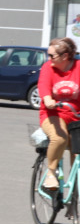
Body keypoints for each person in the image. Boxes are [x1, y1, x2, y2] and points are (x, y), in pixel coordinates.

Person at [38, 37, 80, 190]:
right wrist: (48, 99)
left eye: (51, 56)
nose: (48, 59)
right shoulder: (48, 67)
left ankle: (74, 199)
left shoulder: (78, 67)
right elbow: (43, 86)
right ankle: (51, 173)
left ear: (65, 56)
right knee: (59, 137)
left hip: (76, 116)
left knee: (78, 154)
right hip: (52, 114)